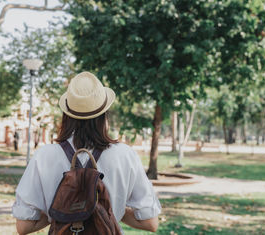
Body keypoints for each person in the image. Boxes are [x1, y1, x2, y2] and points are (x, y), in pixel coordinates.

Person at [12, 71, 161, 234]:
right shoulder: (125, 156)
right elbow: (150, 223)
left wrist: (61, 211)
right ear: (104, 114)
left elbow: (24, 226)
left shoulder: (44, 156)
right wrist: (106, 210)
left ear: (66, 115)